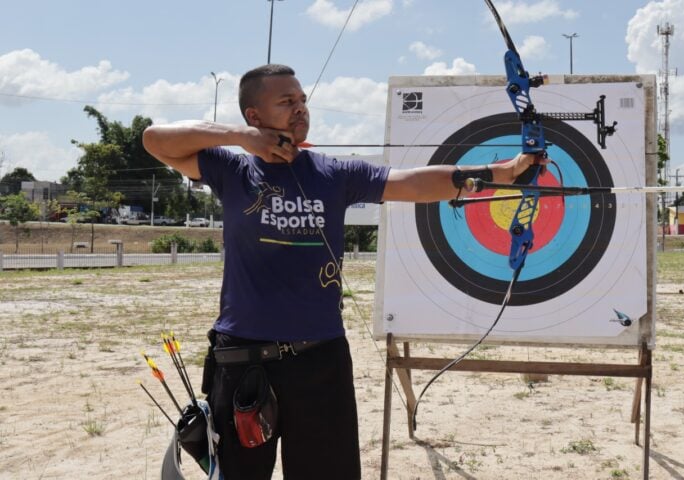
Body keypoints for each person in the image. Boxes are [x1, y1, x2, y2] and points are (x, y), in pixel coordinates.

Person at [142, 64, 543, 479]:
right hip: (244, 361)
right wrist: (239, 138)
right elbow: (155, 140)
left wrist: (501, 173)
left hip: (320, 360)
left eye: (302, 101)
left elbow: (412, 184)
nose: (300, 109)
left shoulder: (334, 173)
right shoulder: (234, 171)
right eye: (286, 102)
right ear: (254, 116)